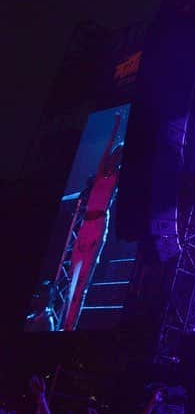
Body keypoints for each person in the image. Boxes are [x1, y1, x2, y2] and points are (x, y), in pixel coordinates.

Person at [62, 112, 124, 331]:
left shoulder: (116, 179)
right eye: (115, 154)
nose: (114, 157)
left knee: (83, 279)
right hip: (86, 224)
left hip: (98, 224)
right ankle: (64, 320)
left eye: (118, 156)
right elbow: (107, 148)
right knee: (72, 275)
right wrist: (116, 126)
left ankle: (70, 325)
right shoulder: (100, 174)